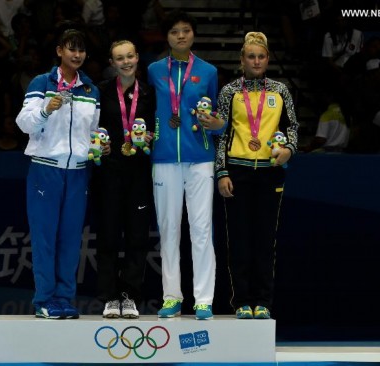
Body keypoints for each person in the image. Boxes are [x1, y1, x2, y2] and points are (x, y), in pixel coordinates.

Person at [15, 28, 103, 319]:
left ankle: (64, 298)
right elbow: (23, 123)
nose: (77, 55)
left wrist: (100, 142)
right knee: (45, 238)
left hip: (78, 172)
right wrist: (44, 110)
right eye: (71, 49)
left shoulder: (91, 90)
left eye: (81, 50)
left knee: (70, 239)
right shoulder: (42, 83)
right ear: (59, 51)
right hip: (46, 170)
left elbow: (92, 133)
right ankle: (43, 300)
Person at [147, 10, 225, 320]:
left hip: (200, 160)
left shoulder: (207, 71)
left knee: (201, 230)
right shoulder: (153, 70)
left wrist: (214, 123)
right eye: (175, 31)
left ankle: (203, 299)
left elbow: (218, 119)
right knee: (168, 230)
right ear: (166, 37)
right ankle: (171, 297)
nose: (181, 36)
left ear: (193, 34)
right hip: (164, 158)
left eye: (186, 30)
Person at [215, 32, 299, 319]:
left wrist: (288, 149)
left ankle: (262, 301)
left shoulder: (280, 90)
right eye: (251, 56)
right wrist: (221, 171)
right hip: (237, 172)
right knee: (238, 240)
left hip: (269, 173)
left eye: (261, 56)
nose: (256, 61)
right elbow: (222, 135)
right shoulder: (229, 91)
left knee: (265, 241)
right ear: (242, 60)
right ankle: (241, 302)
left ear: (267, 59)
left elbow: (293, 128)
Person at [92, 40, 156, 319]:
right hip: (108, 172)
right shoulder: (102, 91)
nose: (126, 61)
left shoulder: (151, 94)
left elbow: (158, 128)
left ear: (138, 57)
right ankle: (108, 297)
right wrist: (97, 143)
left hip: (139, 173)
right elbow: (91, 129)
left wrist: (153, 137)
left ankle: (129, 296)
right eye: (120, 58)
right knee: (108, 234)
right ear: (112, 63)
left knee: (137, 236)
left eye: (130, 56)